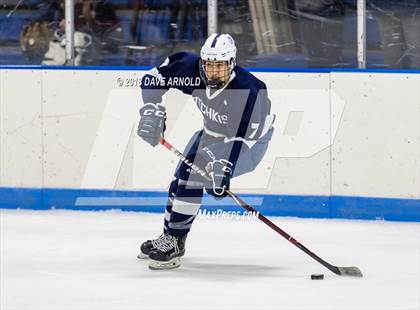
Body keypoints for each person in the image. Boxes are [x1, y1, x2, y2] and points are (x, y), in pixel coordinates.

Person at [137, 33, 275, 270]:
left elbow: (241, 138)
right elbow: (153, 78)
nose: (213, 72)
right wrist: (152, 108)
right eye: (209, 65)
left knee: (193, 177)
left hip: (248, 143)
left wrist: (224, 168)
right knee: (181, 176)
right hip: (211, 132)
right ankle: (171, 237)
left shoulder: (250, 89)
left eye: (220, 66)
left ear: (231, 63)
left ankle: (174, 242)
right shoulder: (189, 69)